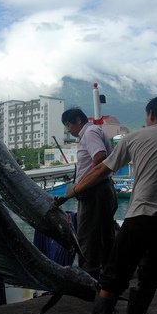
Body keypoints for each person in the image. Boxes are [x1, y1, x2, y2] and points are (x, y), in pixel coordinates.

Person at [63, 95, 157, 314]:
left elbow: (103, 168)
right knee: (149, 278)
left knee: (114, 275)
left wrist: (76, 188)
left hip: (139, 217)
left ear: (151, 115)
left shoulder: (134, 138)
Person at [60, 108, 118, 279]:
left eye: (68, 125)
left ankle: (88, 280)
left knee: (87, 237)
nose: (68, 130)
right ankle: (108, 278)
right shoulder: (94, 131)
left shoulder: (90, 132)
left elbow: (99, 156)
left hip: (95, 192)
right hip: (101, 190)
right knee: (104, 236)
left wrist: (85, 183)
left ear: (78, 120)